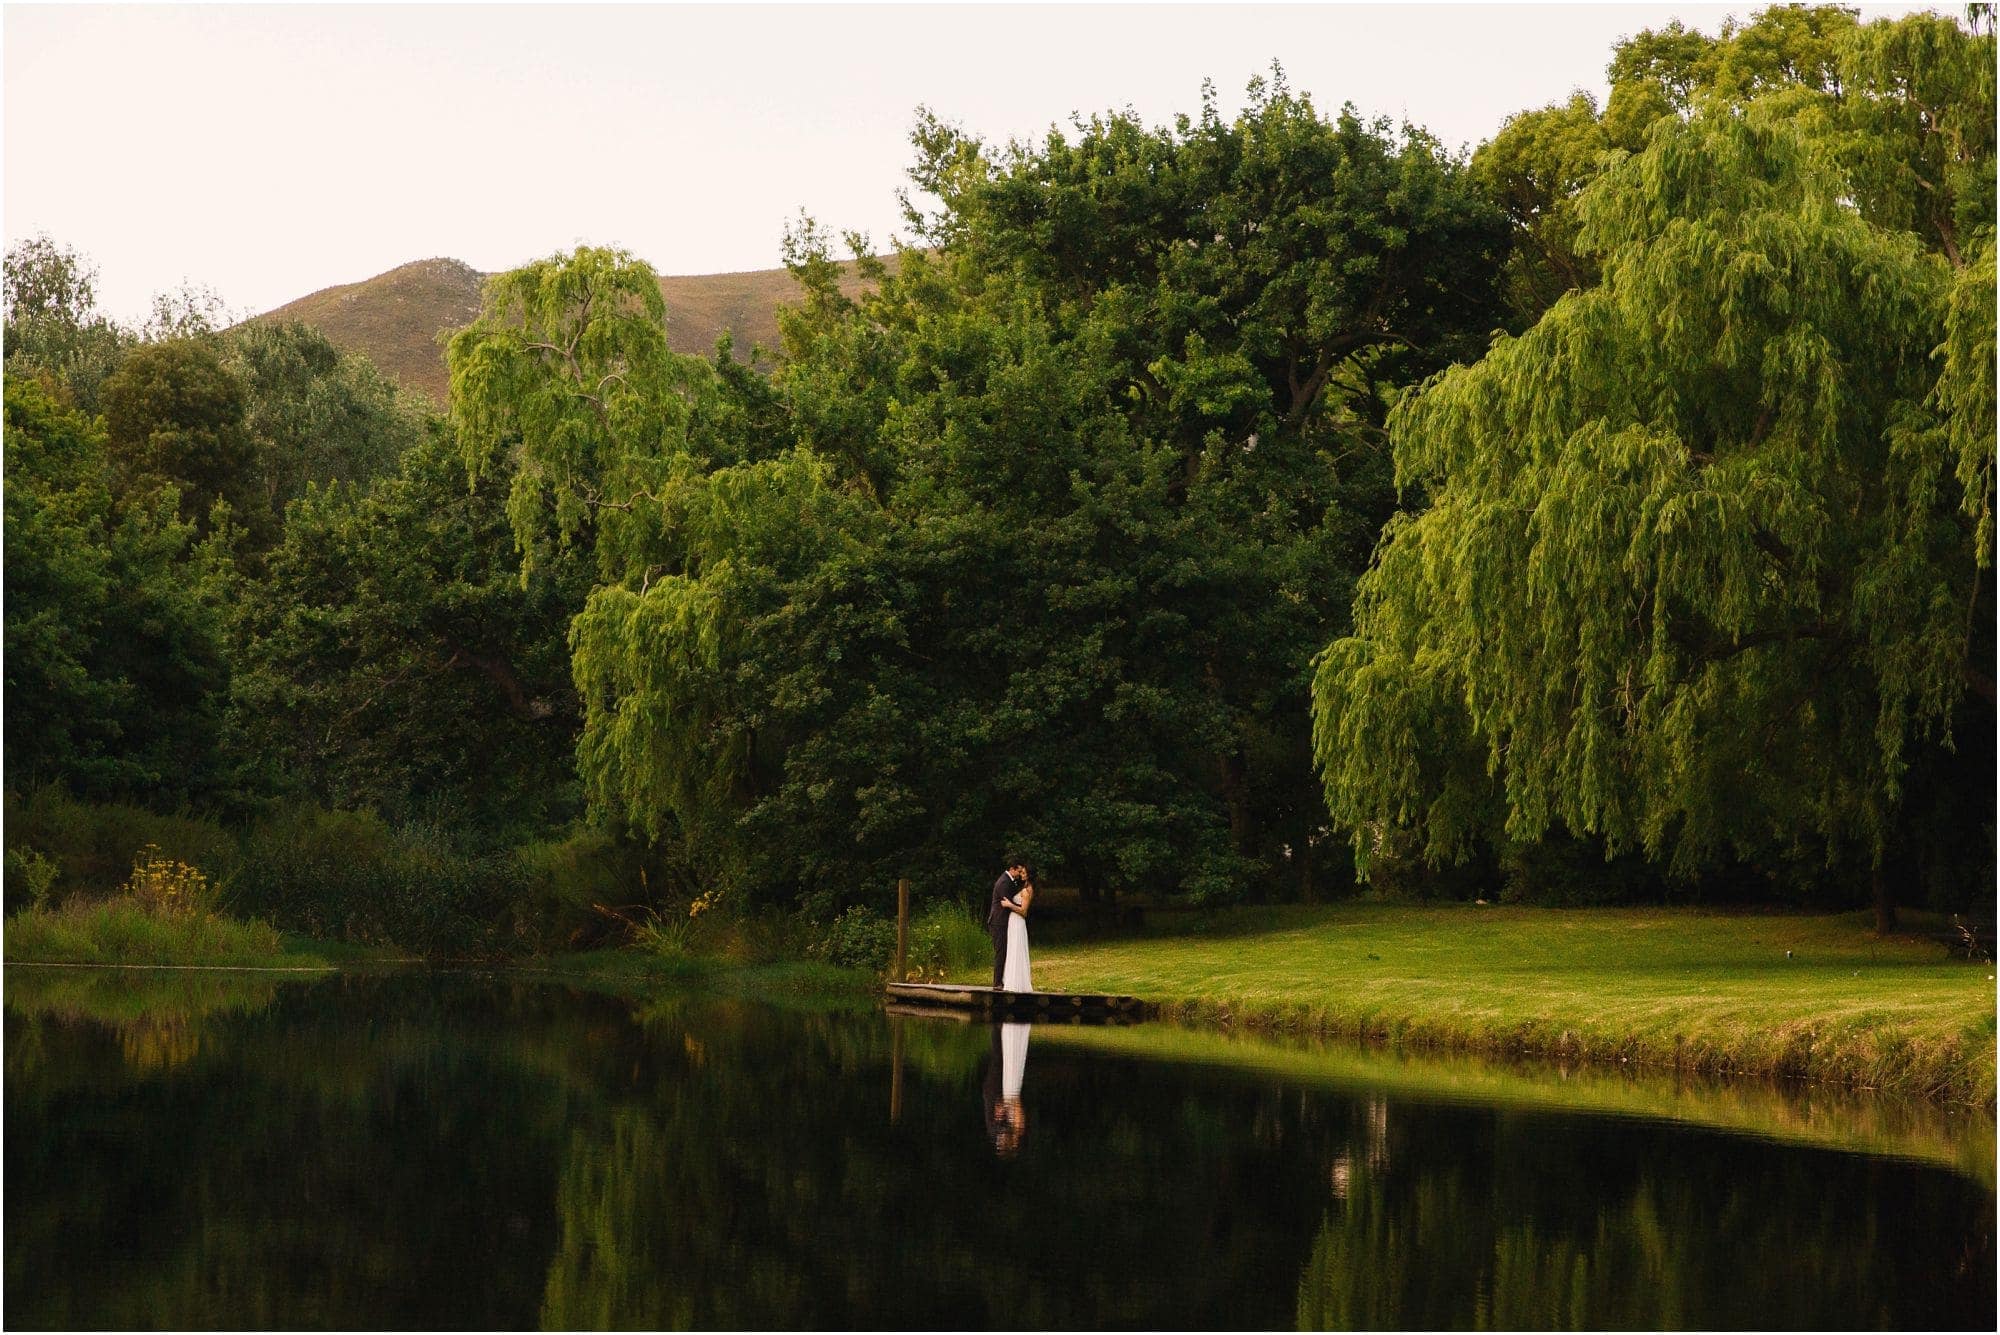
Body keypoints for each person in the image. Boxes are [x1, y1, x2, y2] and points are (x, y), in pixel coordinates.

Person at [987, 857, 1031, 989]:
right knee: (1001, 951)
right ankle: (997, 983)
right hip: (998, 922)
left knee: (1006, 950)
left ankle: (1004, 980)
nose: (1019, 873)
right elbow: (1009, 902)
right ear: (1012, 869)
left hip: (1007, 921)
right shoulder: (1004, 882)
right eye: (1018, 871)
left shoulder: (1010, 881)